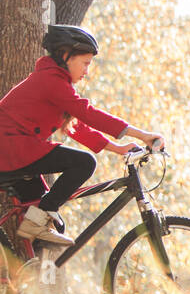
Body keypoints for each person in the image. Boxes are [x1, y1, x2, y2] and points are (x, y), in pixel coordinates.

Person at [0, 24, 165, 246]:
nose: (87, 71)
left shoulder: (55, 82)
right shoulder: (51, 80)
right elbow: (87, 114)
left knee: (45, 223)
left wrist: (118, 148)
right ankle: (44, 214)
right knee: (84, 163)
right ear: (66, 56)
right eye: (85, 63)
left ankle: (29, 273)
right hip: (10, 151)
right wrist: (143, 135)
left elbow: (76, 126)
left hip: (15, 153)